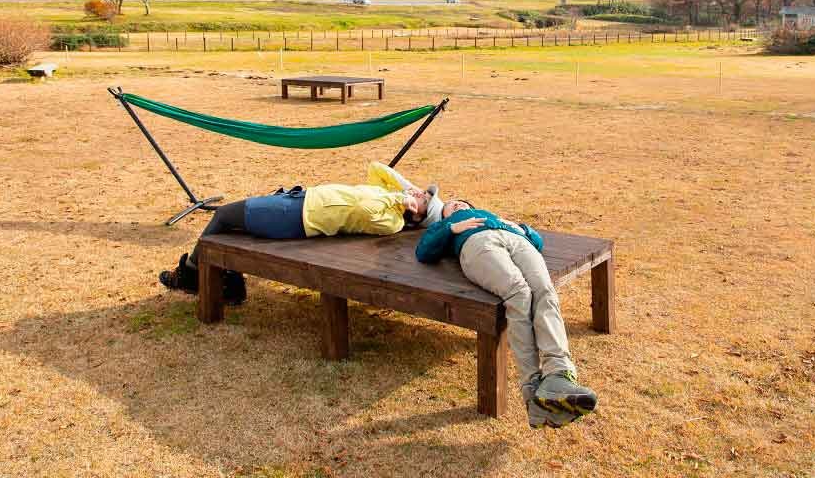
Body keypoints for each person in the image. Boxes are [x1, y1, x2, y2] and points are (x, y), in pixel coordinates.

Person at [415, 199, 598, 429]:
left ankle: (558, 375)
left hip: (517, 240)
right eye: (451, 205)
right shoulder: (450, 225)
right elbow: (424, 251)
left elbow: (538, 242)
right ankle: (533, 391)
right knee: (519, 293)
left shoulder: (495, 216)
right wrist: (452, 228)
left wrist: (522, 229)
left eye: (462, 202)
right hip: (478, 243)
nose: (457, 204)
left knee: (545, 291)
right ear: (444, 214)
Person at [160, 161, 445, 304]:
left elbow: (363, 209)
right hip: (297, 203)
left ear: (418, 215)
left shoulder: (391, 220)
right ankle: (230, 285)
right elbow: (376, 167)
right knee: (233, 223)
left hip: (296, 216)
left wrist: (401, 201)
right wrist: (407, 188)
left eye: (424, 198)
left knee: (223, 216)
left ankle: (190, 276)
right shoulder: (390, 197)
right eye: (423, 192)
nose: (420, 192)